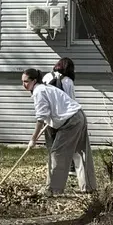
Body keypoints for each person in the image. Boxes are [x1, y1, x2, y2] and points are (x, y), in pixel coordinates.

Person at [23, 67, 94, 195]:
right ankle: (89, 187)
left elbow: (40, 118)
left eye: (26, 81)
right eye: (22, 82)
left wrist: (33, 139)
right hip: (79, 115)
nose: (24, 85)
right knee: (80, 152)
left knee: (57, 153)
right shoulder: (45, 88)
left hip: (71, 121)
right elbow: (48, 113)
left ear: (34, 81)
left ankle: (53, 189)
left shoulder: (39, 91)